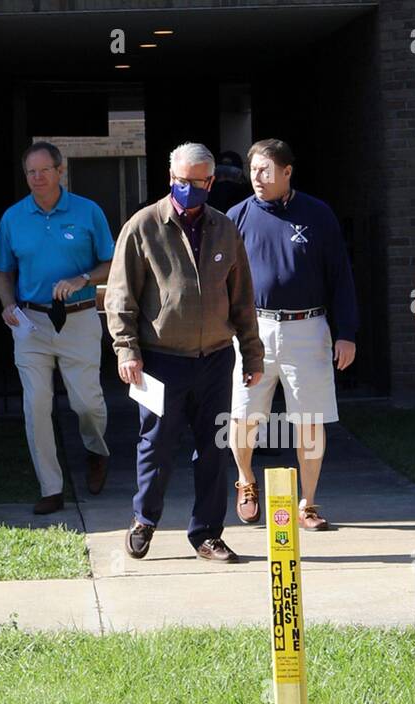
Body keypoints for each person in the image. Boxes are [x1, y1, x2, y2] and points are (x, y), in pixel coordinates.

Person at [105, 142, 265, 563]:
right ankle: (145, 520)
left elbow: (242, 299)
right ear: (169, 177)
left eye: (197, 181)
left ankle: (208, 534)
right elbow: (121, 298)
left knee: (213, 449)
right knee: (156, 446)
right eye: (181, 181)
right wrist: (127, 351)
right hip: (160, 360)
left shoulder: (225, 229)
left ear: (211, 182)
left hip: (215, 358)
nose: (188, 188)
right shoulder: (143, 226)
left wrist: (252, 355)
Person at [225, 138, 359, 530]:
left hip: (308, 327)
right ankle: (246, 480)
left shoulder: (318, 215)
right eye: (253, 170)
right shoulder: (236, 217)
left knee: (310, 420)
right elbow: (221, 280)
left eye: (266, 170)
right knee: (244, 414)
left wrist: (346, 331)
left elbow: (341, 276)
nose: (258, 178)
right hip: (253, 330)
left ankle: (309, 503)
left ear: (287, 172)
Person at [0, 141, 116, 514]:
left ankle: (96, 451)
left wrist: (81, 279)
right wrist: (8, 305)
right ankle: (51, 487)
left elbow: (110, 264)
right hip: (33, 324)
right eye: (31, 172)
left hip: (78, 318)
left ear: (61, 171)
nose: (37, 178)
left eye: (45, 170)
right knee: (36, 403)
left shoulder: (88, 212)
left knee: (86, 402)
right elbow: (2, 272)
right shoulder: (13, 218)